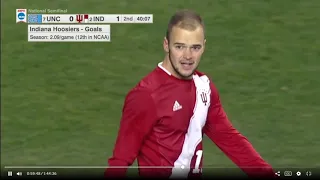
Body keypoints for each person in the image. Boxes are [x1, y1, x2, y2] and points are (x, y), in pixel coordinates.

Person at [105, 9, 275, 178]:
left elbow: (231, 140)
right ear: (166, 45)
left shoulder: (204, 87)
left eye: (195, 47)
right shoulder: (146, 95)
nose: (188, 56)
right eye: (179, 47)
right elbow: (120, 159)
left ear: (204, 47)